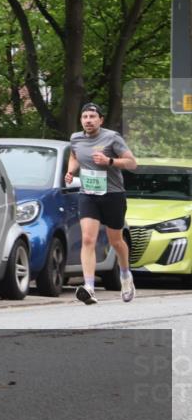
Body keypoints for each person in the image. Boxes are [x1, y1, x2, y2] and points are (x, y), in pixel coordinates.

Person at [64, 103, 139, 305]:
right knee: (88, 239)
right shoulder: (75, 138)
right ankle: (89, 287)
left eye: (92, 116)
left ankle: (125, 274)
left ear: (100, 120)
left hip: (113, 195)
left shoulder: (111, 137)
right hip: (88, 194)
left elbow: (132, 163)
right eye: (85, 116)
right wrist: (71, 171)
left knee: (116, 240)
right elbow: (74, 155)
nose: (88, 120)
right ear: (81, 120)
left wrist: (110, 161)